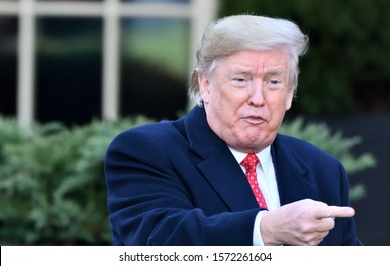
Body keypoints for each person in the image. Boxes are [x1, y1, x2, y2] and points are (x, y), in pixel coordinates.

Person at [104, 14, 362, 246]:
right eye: (241, 80)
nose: (257, 98)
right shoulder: (146, 150)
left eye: (273, 82)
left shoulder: (323, 169)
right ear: (205, 86)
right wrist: (265, 229)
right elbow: (157, 241)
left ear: (290, 95)